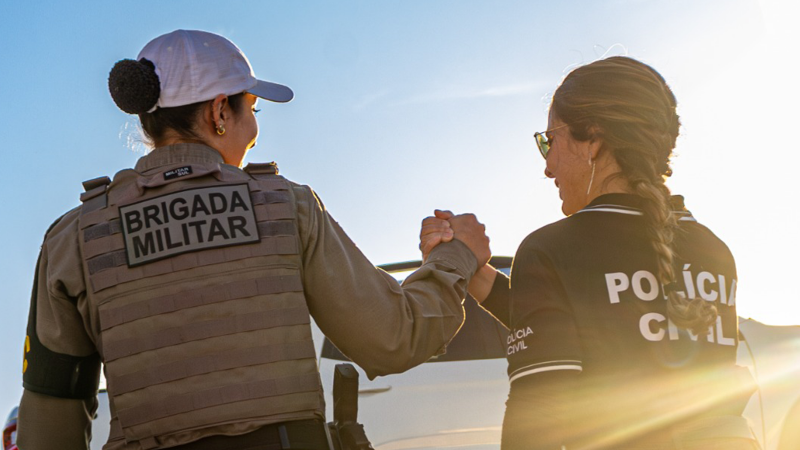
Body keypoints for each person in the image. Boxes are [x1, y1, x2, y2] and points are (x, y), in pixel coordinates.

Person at [17, 29, 490, 450]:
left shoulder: (74, 237)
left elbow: (49, 416)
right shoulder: (287, 206)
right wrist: (455, 257)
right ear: (220, 111)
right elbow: (394, 338)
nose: (256, 132)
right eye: (253, 109)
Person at [420, 56, 760, 449]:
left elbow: (536, 427)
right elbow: (613, 329)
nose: (547, 166)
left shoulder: (552, 249)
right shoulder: (712, 248)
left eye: (550, 141)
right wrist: (479, 272)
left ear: (593, 139)